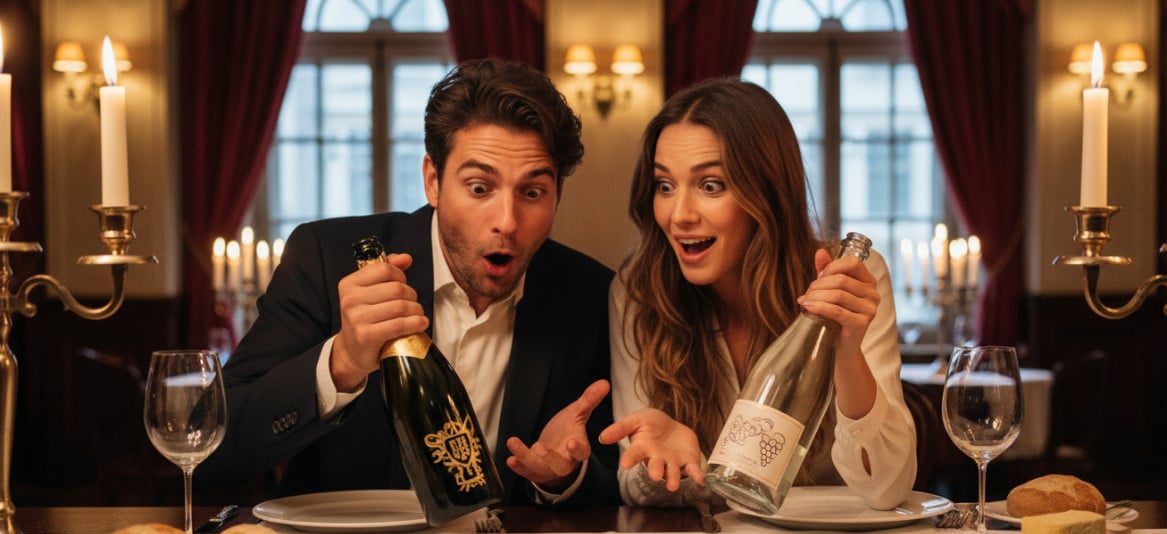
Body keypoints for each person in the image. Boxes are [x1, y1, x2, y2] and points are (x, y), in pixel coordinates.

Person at [201, 58, 619, 507]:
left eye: (533, 193)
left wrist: (563, 479)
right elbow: (213, 451)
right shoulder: (326, 258)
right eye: (479, 188)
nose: (507, 221)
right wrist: (340, 362)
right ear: (433, 181)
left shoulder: (589, 294)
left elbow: (612, 488)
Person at [599, 78, 917, 510]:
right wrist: (668, 466)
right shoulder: (639, 293)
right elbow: (634, 485)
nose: (679, 215)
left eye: (710, 185)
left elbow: (886, 488)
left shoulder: (848, 278)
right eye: (664, 185)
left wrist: (846, 352)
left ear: (764, 190)